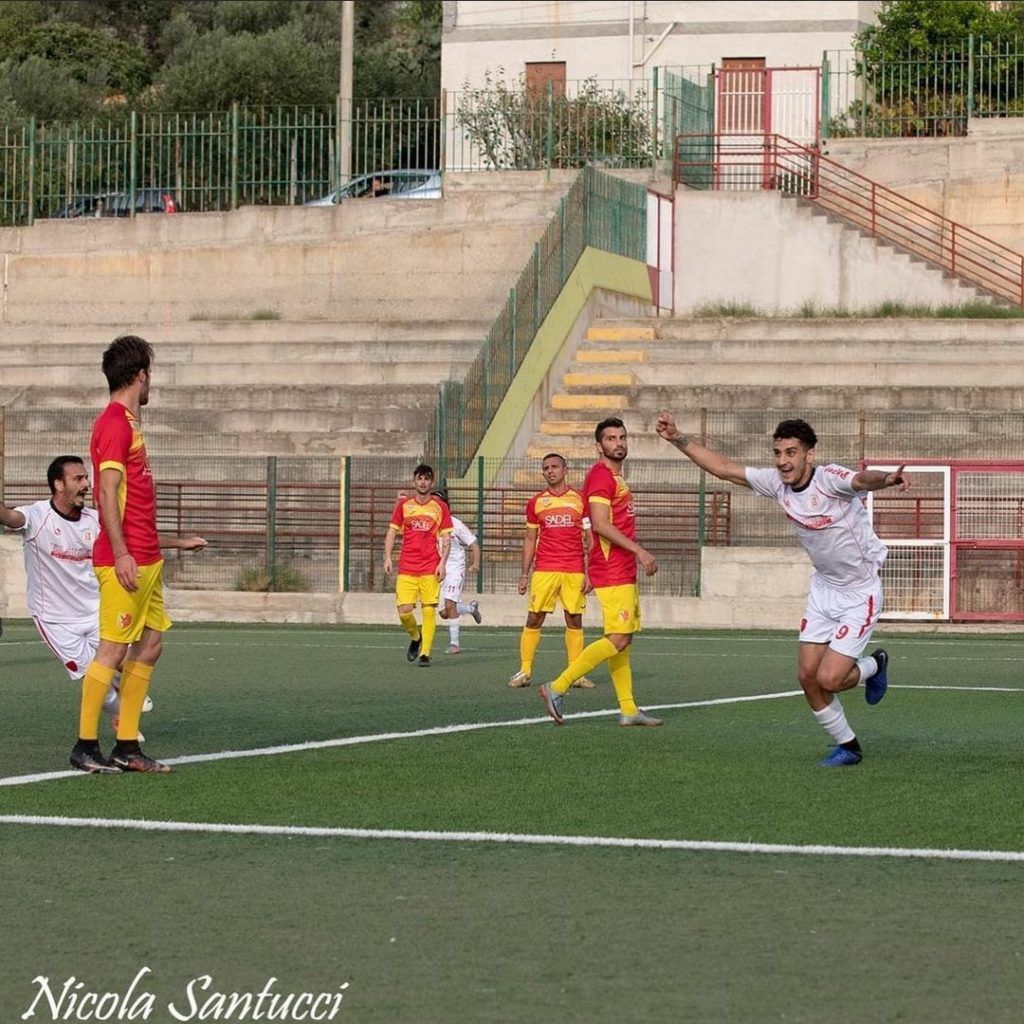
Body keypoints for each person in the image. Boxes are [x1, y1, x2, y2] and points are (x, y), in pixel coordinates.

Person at [655, 411, 907, 767]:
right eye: (778, 453)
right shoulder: (776, 482)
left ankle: (873, 667)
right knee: (807, 677)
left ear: (809, 454)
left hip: (859, 593)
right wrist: (676, 437)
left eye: (791, 452)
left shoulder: (829, 479)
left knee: (830, 679)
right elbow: (724, 468)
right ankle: (848, 746)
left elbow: (861, 480)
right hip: (823, 590)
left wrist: (887, 479)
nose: (783, 461)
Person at [0, 456, 205, 742]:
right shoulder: (36, 516)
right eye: (78, 479)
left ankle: (125, 705)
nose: (86, 484)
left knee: (125, 659)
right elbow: (9, 518)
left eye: (86, 478)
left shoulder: (95, 520)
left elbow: (136, 539)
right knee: (95, 678)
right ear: (58, 484)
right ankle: (122, 714)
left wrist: (182, 543)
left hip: (96, 610)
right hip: (55, 618)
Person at [69, 335, 180, 774]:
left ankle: (127, 746)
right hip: (126, 559)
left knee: (150, 646)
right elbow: (107, 492)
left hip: (148, 557)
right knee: (113, 650)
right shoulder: (114, 423)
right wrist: (120, 553)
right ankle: (84, 745)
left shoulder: (130, 424)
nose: (151, 381)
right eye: (150, 373)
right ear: (140, 375)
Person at [538, 419, 662, 727]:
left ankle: (629, 709)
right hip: (613, 568)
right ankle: (558, 686)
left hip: (619, 568)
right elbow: (600, 523)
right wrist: (639, 551)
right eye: (611, 438)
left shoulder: (616, 478)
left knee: (622, 640)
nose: (618, 442)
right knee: (618, 639)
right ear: (599, 446)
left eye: (622, 437)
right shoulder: (601, 476)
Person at [508, 453, 595, 690]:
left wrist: (591, 572)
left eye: (554, 466)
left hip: (574, 569)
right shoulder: (536, 502)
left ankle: (576, 673)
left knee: (574, 619)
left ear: (565, 470)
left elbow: (590, 537)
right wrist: (524, 574)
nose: (550, 471)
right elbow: (530, 538)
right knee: (534, 617)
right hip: (545, 569)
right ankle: (525, 671)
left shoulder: (580, 500)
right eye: (546, 468)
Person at [384, 464, 452, 667]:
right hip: (407, 567)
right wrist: (387, 557)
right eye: (419, 478)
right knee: (404, 611)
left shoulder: (440, 507)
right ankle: (415, 637)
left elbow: (446, 537)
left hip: (430, 566)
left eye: (427, 479)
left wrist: (443, 563)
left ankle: (425, 653)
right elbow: (392, 532)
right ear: (415, 481)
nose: (423, 482)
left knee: (429, 609)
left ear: (432, 482)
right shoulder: (404, 505)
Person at [432, 490, 482, 654]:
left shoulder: (455, 524)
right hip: (439, 568)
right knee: (443, 613)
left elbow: (474, 544)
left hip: (454, 568)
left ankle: (455, 644)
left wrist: (475, 564)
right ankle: (470, 609)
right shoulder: (429, 524)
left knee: (449, 605)